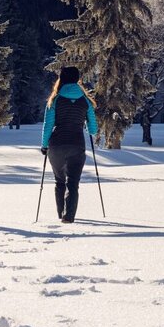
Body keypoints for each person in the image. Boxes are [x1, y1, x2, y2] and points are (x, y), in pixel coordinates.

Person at [41, 66, 98, 223]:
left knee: (59, 180)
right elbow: (93, 129)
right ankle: (69, 216)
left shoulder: (55, 99)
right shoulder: (85, 100)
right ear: (77, 79)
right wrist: (83, 122)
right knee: (72, 182)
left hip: (57, 145)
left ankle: (61, 214)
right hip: (77, 144)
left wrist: (44, 145)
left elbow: (48, 125)